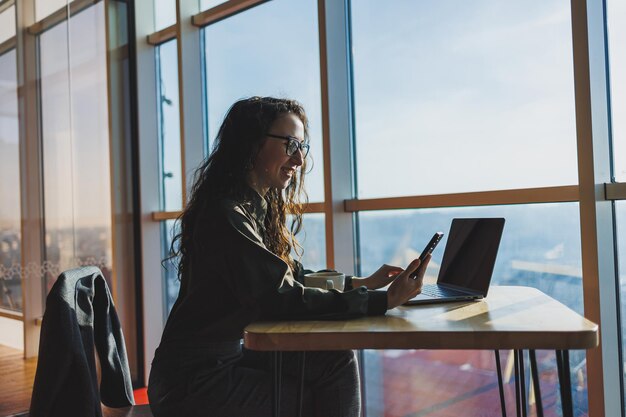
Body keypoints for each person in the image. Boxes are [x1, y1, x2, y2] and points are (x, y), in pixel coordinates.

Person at [147, 96, 431, 417]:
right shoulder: (226, 214)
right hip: (193, 380)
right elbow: (278, 296)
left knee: (333, 362)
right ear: (251, 143)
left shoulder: (255, 206)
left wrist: (359, 283)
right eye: (290, 144)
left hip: (221, 359)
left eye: (301, 146)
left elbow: (289, 277)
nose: (299, 159)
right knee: (311, 399)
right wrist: (382, 301)